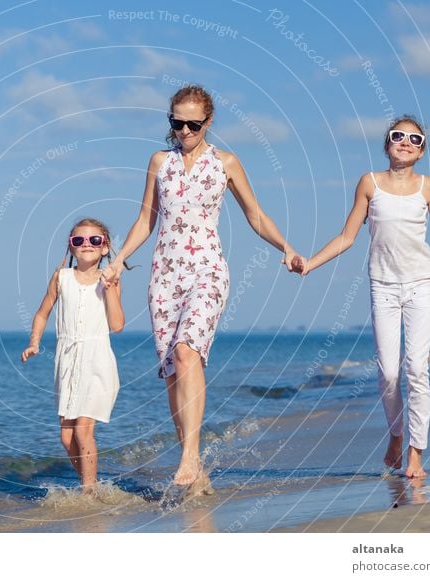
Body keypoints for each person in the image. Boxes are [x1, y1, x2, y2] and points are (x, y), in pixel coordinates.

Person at [101, 85, 302, 489]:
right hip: (165, 276)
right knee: (175, 372)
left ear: (209, 122)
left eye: (194, 123)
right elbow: (146, 220)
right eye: (178, 123)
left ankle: (190, 458)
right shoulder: (160, 162)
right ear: (170, 122)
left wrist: (286, 247)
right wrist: (120, 259)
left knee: (186, 351)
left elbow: (255, 214)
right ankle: (194, 468)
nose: (186, 130)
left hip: (207, 270)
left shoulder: (225, 162)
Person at [293, 115, 430, 479]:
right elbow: (347, 236)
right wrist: (309, 264)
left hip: (420, 284)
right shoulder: (369, 184)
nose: (405, 142)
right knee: (387, 373)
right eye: (398, 136)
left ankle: (416, 453)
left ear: (421, 151)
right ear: (387, 144)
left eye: (414, 139)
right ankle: (396, 434)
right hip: (382, 285)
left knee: (417, 367)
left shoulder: (428, 187)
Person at [21, 218, 125, 493]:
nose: (87, 245)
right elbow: (43, 313)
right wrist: (34, 342)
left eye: (95, 240)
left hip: (96, 361)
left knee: (83, 430)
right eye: (79, 240)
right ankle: (91, 486)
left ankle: (89, 493)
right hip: (67, 362)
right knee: (67, 438)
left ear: (105, 247)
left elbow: (117, 325)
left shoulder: (110, 280)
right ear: (71, 246)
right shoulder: (61, 277)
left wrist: (111, 287)